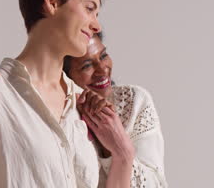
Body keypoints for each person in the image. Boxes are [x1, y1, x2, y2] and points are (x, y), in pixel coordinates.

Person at [0, 0, 134, 188]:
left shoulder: (82, 105)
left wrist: (122, 155)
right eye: (89, 9)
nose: (96, 25)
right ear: (52, 2)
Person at [63, 33, 168, 187]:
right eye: (87, 65)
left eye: (103, 55)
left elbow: (155, 184)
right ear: (65, 75)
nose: (102, 70)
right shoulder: (60, 116)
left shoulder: (133, 102)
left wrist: (115, 147)